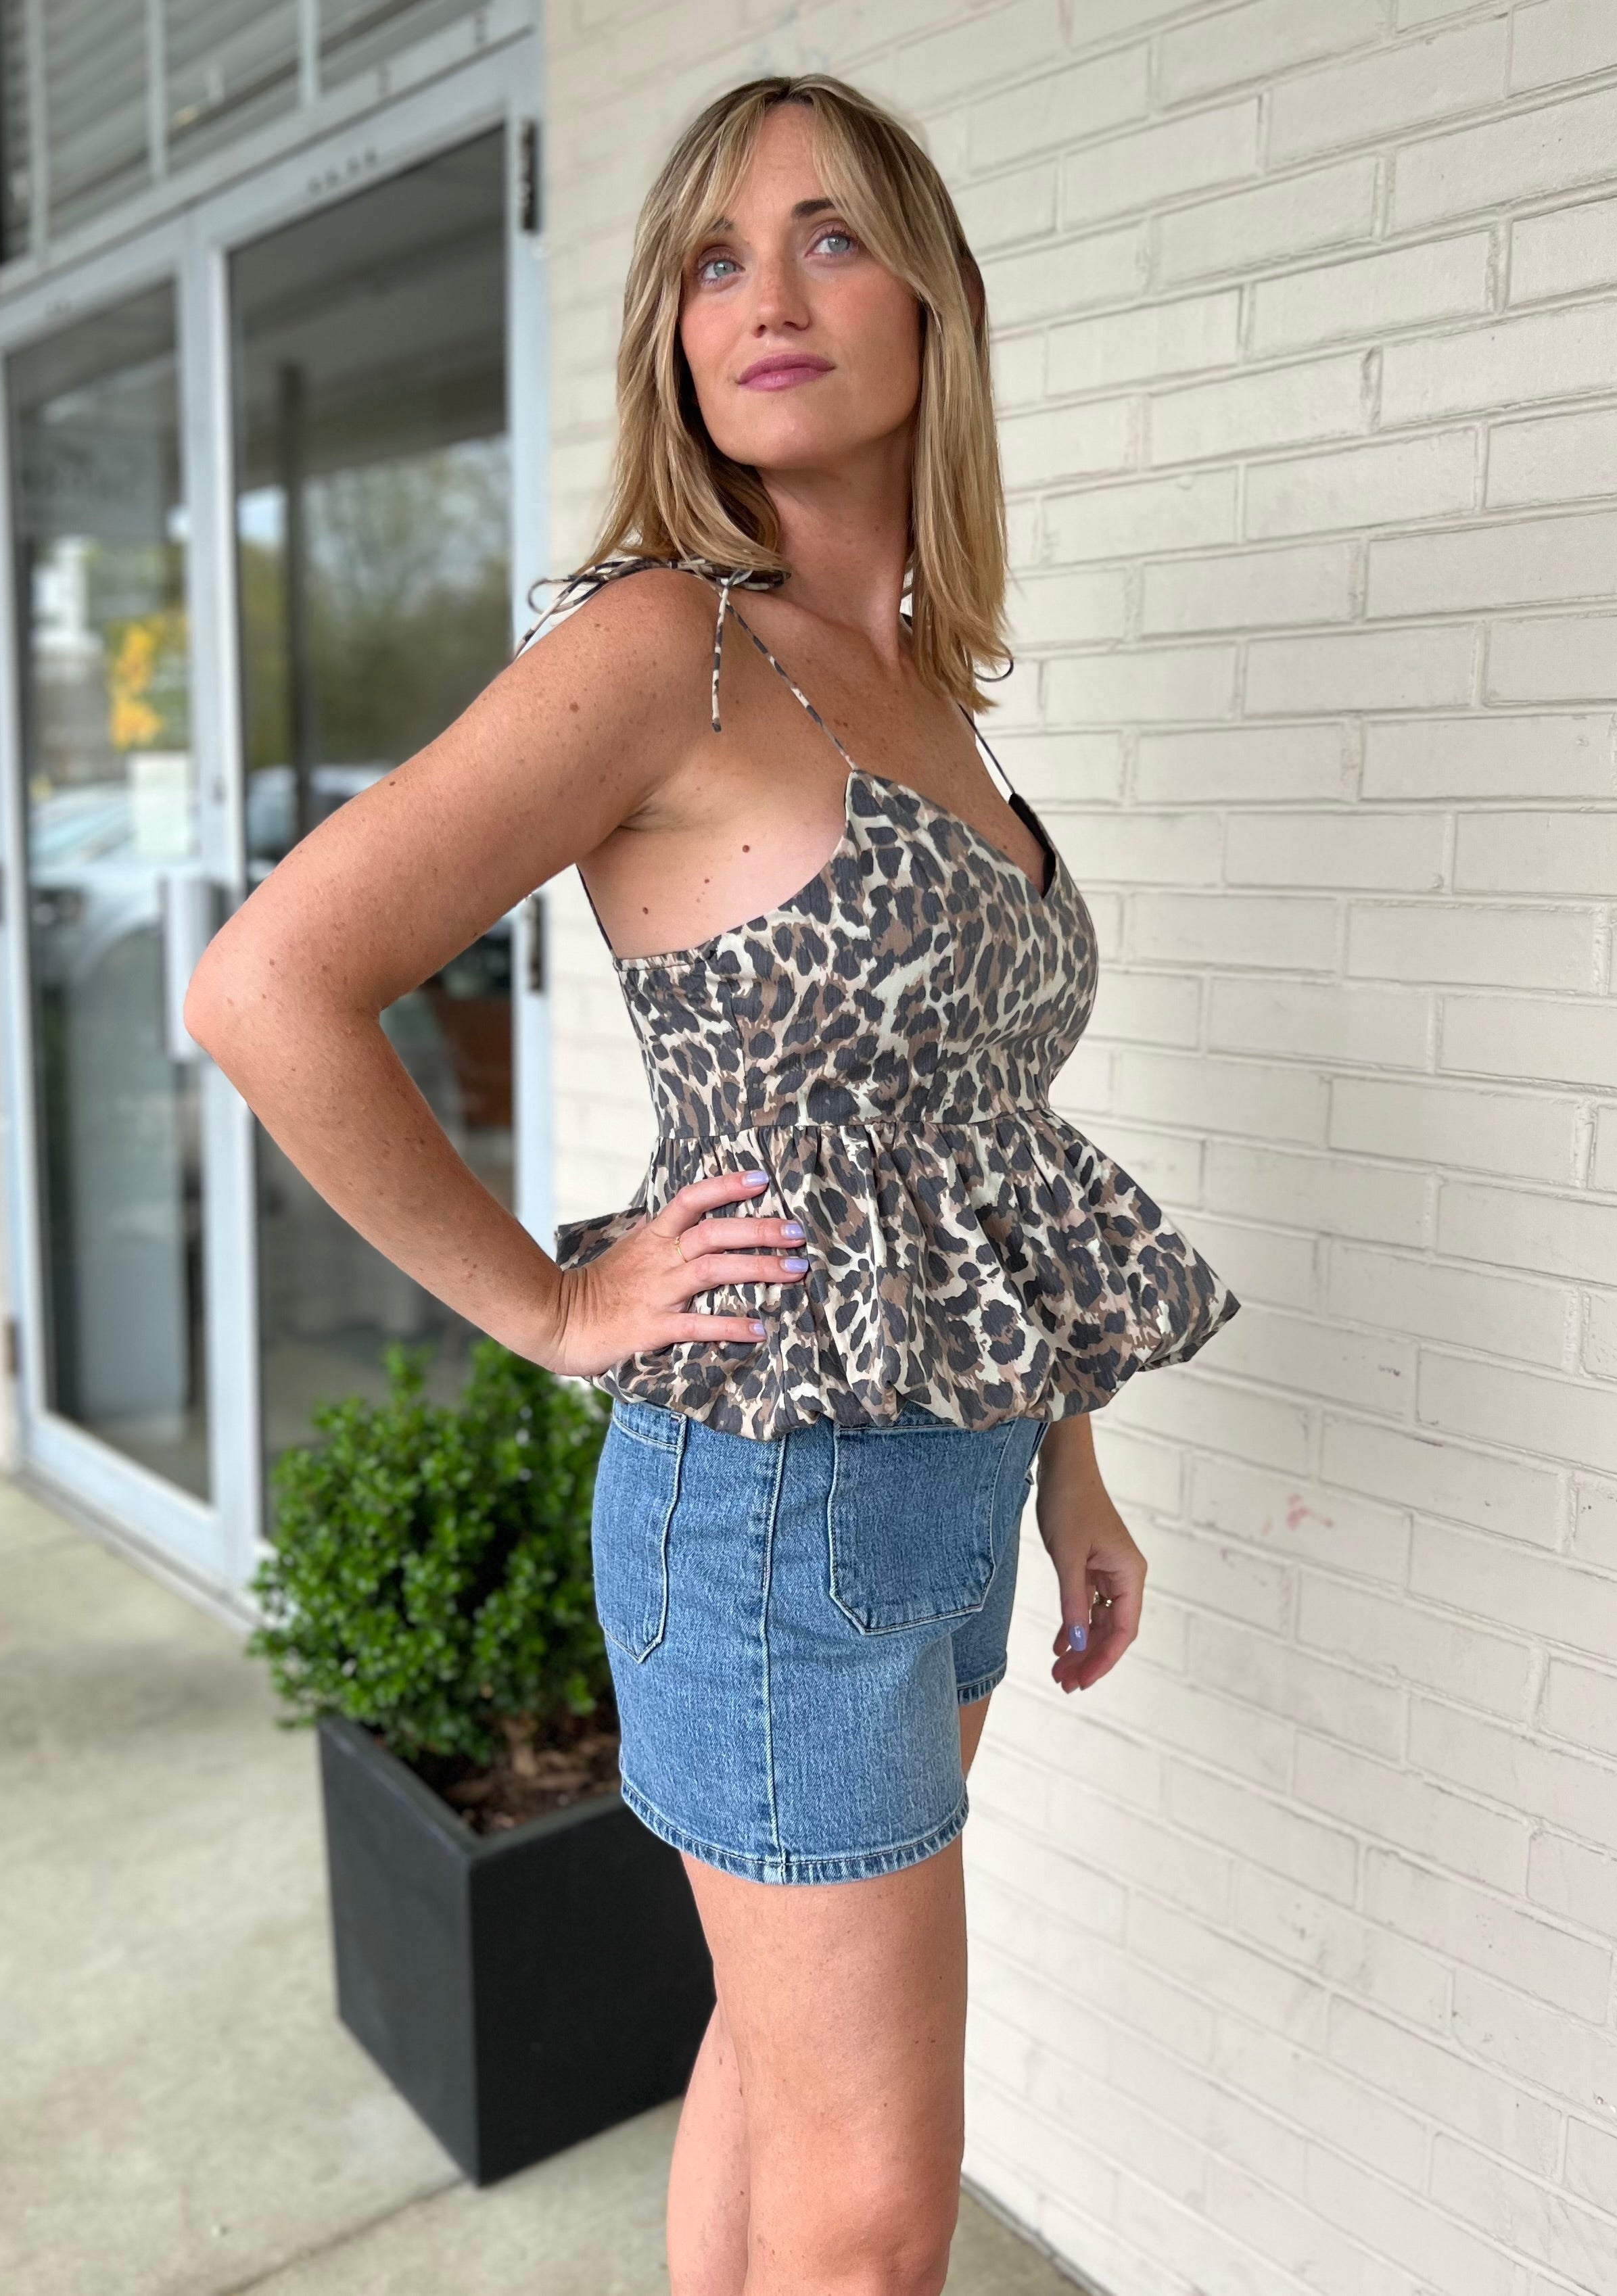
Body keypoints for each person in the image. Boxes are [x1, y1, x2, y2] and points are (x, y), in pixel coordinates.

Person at [187, 70, 1241, 2296]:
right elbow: (269, 984)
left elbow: (975, 1147)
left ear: (934, 304)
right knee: (872, 2233)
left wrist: (1067, 1469)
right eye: (709, 259)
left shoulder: (920, 685)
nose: (765, 295)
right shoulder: (667, 643)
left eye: (829, 237)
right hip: (770, 1516)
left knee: (774, 2081)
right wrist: (553, 1305)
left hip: (945, 1494)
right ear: (669, 335)